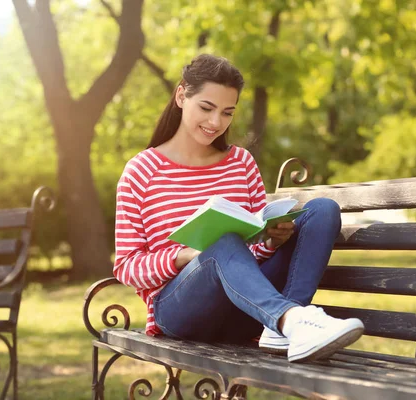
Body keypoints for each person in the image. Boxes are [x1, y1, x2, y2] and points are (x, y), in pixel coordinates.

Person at [114, 54, 364, 363]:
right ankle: (291, 321)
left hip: (248, 307)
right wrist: (190, 256)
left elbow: (250, 254)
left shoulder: (241, 164)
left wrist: (272, 240)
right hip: (181, 312)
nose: (215, 123)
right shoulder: (142, 170)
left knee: (322, 210)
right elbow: (127, 266)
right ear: (181, 95)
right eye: (206, 108)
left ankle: (282, 327)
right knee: (223, 243)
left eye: (227, 112)